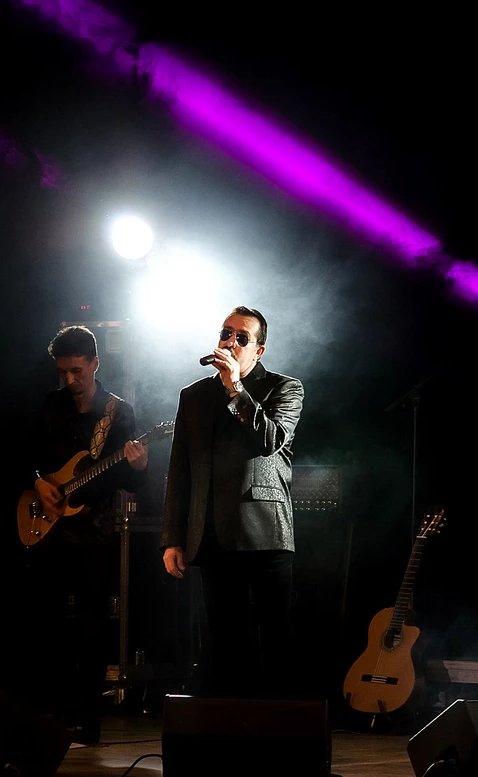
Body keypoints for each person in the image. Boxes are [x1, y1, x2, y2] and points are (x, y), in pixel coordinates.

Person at [161, 306, 304, 697]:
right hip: (209, 532)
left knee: (275, 634)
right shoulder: (193, 396)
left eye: (243, 337)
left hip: (264, 532)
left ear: (258, 351)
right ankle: (232, 722)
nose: (231, 341)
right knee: (225, 639)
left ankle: (280, 720)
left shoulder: (284, 388)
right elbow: (180, 469)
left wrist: (236, 389)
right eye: (227, 333)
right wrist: (173, 537)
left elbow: (269, 441)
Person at [17, 325, 148, 742]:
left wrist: (139, 466)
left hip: (95, 532)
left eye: (77, 370)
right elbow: (22, 455)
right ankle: (48, 712)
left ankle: (87, 718)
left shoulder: (118, 413)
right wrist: (38, 481)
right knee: (46, 622)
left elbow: (132, 480)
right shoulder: (50, 406)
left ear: (95, 363)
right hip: (50, 529)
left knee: (93, 626)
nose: (70, 380)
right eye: (63, 372)